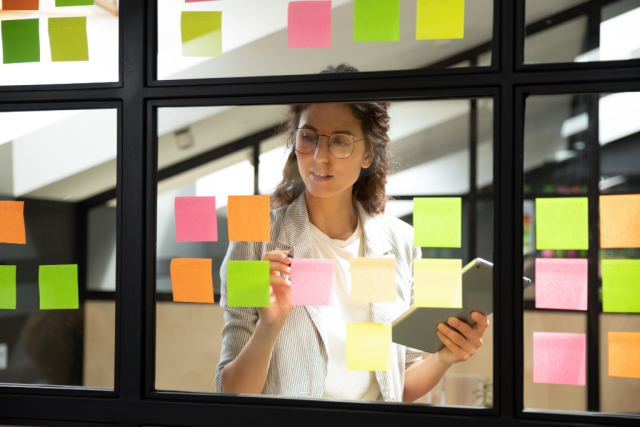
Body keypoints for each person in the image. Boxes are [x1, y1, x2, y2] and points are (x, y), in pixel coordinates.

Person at [215, 64, 488, 402]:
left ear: (368, 155)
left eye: (340, 142)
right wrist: (268, 327)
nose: (319, 157)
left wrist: (445, 357)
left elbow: (398, 385)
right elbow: (232, 390)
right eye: (308, 137)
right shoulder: (256, 241)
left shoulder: (400, 243)